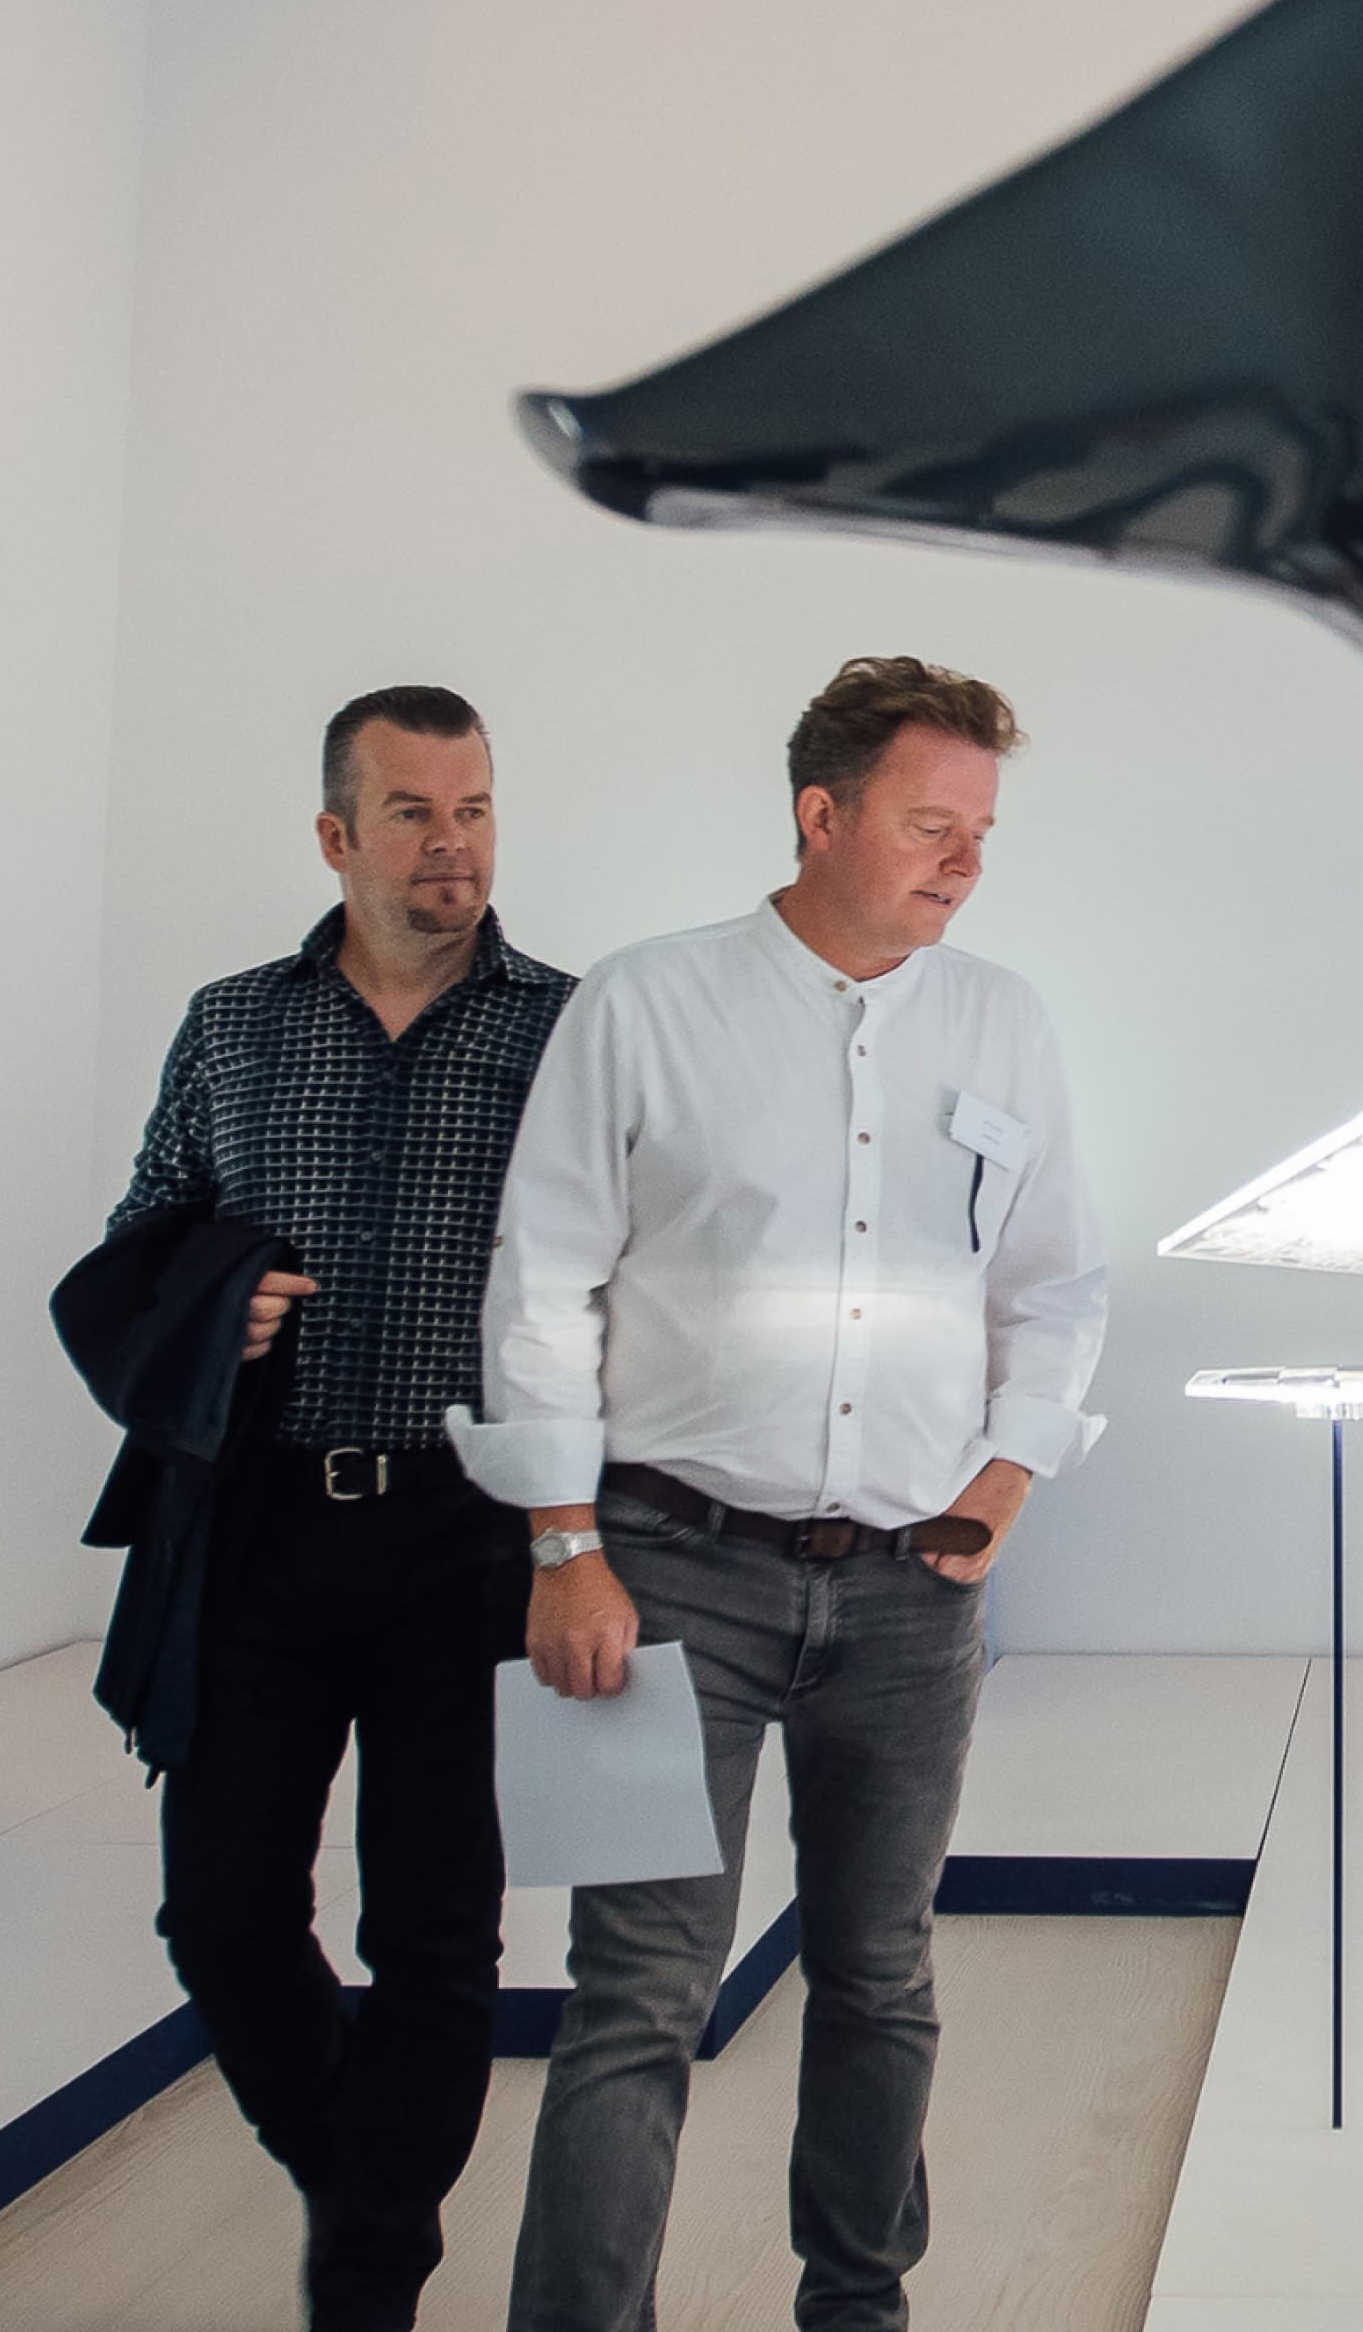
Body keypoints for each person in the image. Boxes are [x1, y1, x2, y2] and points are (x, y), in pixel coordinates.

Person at [469, 655, 1107, 2332]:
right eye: (926, 825)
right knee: (634, 1996)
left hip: (915, 1594)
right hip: (663, 1572)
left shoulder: (1004, 1021)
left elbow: (1056, 1284)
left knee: (882, 1972)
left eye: (979, 831)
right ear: (820, 816)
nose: (963, 864)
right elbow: (538, 1284)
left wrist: (1000, 1487)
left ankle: (857, 2309)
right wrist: (560, 1545)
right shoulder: (644, 1002)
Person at [100, 686, 573, 2332]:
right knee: (219, 1909)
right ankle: (364, 2184)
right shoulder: (234, 1023)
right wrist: (199, 1317)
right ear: (335, 835)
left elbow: (636, 1273)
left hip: (469, 1529)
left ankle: (363, 2279)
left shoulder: (567, 1028)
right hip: (264, 1527)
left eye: (476, 810)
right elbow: (143, 1230)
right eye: (413, 814)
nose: (454, 847)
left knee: (436, 1928)